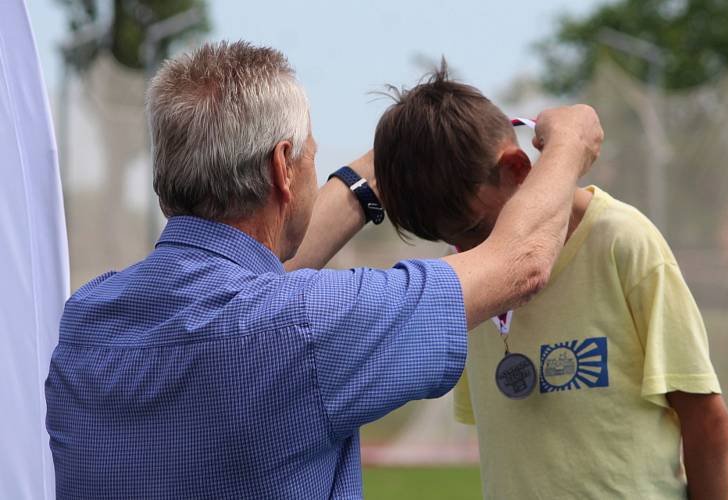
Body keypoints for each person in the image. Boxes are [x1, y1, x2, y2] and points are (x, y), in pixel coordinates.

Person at [44, 41, 603, 499]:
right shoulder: (309, 326)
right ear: (282, 169)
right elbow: (522, 262)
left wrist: (396, 158)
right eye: (310, 154)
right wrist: (570, 145)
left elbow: (247, 273)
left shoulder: (86, 321)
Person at [373, 63, 728, 500]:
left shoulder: (622, 242)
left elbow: (706, 421)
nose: (466, 255)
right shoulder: (463, 281)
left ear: (518, 168)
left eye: (472, 229)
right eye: (448, 242)